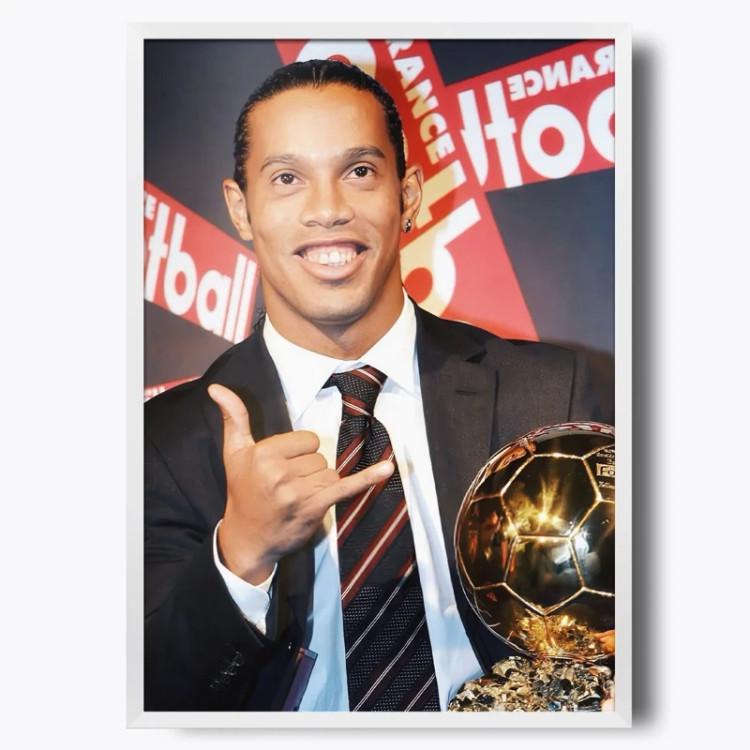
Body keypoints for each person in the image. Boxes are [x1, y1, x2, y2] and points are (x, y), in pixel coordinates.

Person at [144, 58, 607, 712]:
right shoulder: (163, 444)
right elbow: (145, 691)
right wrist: (241, 553)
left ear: (407, 196)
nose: (328, 210)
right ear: (241, 210)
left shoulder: (551, 395)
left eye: (359, 171)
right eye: (287, 179)